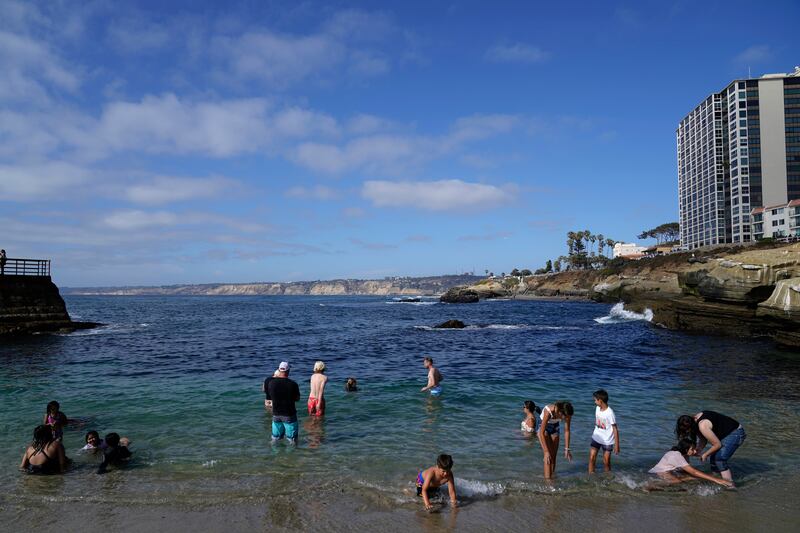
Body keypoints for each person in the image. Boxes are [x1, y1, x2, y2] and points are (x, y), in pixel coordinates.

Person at [676, 411, 746, 484]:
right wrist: (698, 450)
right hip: (725, 434)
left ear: (691, 425)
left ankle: (729, 484)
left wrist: (705, 454)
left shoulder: (702, 425)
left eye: (688, 430)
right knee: (713, 459)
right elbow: (703, 440)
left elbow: (717, 445)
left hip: (735, 433)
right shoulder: (694, 421)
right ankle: (717, 479)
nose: (687, 432)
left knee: (719, 459)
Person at [648, 438, 734, 489]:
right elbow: (694, 472)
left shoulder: (680, 452)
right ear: (686, 449)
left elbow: (690, 468)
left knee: (694, 477)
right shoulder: (677, 456)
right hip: (660, 472)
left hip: (670, 471)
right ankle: (651, 486)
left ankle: (687, 480)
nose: (695, 451)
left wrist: (700, 455)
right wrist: (716, 480)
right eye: (692, 449)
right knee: (678, 481)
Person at [537, 401, 574, 479]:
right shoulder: (549, 411)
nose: (566, 418)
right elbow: (541, 432)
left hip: (554, 427)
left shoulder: (567, 413)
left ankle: (552, 477)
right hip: (543, 428)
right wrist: (546, 451)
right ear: (560, 412)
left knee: (553, 456)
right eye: (564, 416)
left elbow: (567, 430)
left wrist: (567, 449)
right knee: (548, 456)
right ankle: (548, 481)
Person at [267, 361, 301, 445]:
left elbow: (270, 398)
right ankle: (291, 457)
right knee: (292, 440)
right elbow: (297, 398)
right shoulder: (293, 384)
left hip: (276, 414)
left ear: (279, 370)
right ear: (288, 371)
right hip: (289, 414)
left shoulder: (271, 383)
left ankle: (275, 455)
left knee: (275, 439)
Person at [589, 389, 620, 473]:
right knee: (592, 458)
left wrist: (617, 445)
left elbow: (615, 428)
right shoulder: (597, 409)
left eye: (595, 400)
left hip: (607, 440)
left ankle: (608, 478)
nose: (594, 402)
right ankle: (591, 476)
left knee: (606, 461)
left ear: (600, 400)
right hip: (596, 437)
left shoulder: (610, 413)